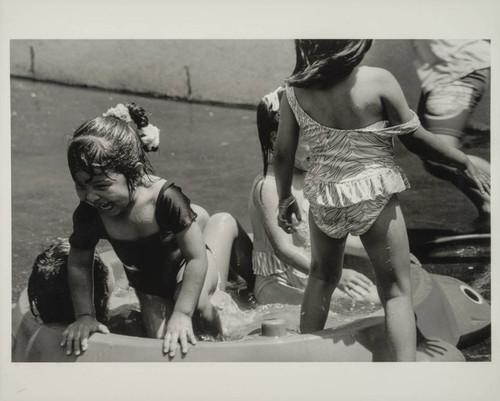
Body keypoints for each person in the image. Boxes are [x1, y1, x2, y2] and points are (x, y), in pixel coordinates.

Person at [274, 40, 490, 361]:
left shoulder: (293, 92)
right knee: (395, 293)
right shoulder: (378, 80)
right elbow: (415, 140)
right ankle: (404, 379)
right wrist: (462, 160)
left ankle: (307, 362)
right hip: (372, 190)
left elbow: (282, 154)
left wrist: (284, 199)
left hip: (325, 194)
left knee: (321, 278)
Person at [61, 102, 254, 357]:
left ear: (135, 172)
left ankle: (223, 348)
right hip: (148, 285)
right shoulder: (91, 213)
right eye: (81, 186)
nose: (91, 196)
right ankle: (204, 221)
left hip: (189, 266)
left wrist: (182, 314)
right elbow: (78, 264)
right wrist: (85, 316)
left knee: (195, 307)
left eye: (101, 185)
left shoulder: (164, 198)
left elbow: (196, 258)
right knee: (160, 344)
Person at [250, 86, 379, 306]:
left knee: (381, 293)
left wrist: (379, 251)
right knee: (369, 302)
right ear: (277, 140)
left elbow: (336, 235)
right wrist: (336, 276)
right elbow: (284, 250)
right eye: (309, 137)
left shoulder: (311, 178)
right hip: (277, 285)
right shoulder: (268, 186)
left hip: (311, 277)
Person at [412, 40, 491, 232]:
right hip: (447, 71)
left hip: (455, 71)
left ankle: (491, 209)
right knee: (428, 151)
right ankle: (488, 209)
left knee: (439, 156)